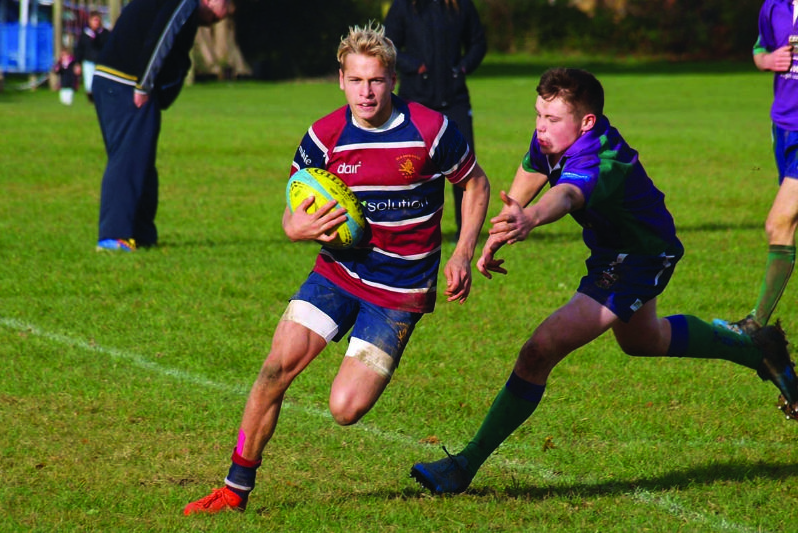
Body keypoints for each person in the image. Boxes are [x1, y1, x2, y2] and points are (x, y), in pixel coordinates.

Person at [409, 67, 798, 496]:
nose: (541, 127)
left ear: (586, 122)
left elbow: (567, 195)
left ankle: (464, 465)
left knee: (539, 350)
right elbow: (533, 168)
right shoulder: (554, 138)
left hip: (640, 257)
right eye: (538, 115)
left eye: (552, 120)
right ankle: (754, 347)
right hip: (614, 253)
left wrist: (532, 218)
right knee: (642, 340)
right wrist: (505, 224)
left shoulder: (600, 156)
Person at [183, 21, 490, 514]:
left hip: (400, 290)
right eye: (356, 80)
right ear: (340, 80)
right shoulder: (324, 136)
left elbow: (475, 184)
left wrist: (462, 252)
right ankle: (234, 489)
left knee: (345, 409)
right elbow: (293, 211)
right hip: (337, 274)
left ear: (392, 80)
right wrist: (295, 229)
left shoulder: (431, 131)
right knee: (273, 369)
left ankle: (368, 350)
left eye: (376, 81)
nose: (366, 93)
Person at [92, 0, 230, 252]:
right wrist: (144, 86)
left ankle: (142, 234)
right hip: (127, 83)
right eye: (225, 8)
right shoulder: (184, 2)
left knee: (140, 160)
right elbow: (160, 38)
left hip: (111, 79)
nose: (219, 18)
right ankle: (114, 235)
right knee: (128, 160)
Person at [713, 0, 798, 336]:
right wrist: (767, 60)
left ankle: (757, 328)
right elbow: (759, 48)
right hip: (784, 127)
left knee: (779, 222)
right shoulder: (773, 7)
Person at [384, 0, 486, 238]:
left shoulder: (461, 6)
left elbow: (478, 43)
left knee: (465, 166)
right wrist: (415, 66)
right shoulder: (403, 6)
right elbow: (388, 45)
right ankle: (408, 228)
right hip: (415, 99)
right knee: (408, 167)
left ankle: (466, 231)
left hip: (455, 99)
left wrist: (461, 68)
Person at [74, 10, 110, 103]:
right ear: (90, 21)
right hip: (88, 62)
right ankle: (92, 100)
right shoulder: (85, 34)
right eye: (94, 20)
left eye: (97, 20)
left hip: (101, 62)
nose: (96, 22)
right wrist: (77, 63)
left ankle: (101, 99)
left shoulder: (104, 33)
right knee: (89, 84)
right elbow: (79, 49)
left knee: (101, 83)